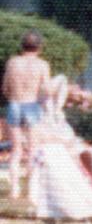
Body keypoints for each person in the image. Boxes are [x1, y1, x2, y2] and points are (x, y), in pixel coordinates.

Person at [4, 30, 51, 199]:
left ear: (22, 45)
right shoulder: (42, 65)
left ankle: (15, 189)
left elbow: (5, 88)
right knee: (33, 150)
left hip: (15, 104)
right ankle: (32, 189)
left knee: (15, 150)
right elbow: (46, 90)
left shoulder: (12, 63)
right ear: (39, 47)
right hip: (32, 105)